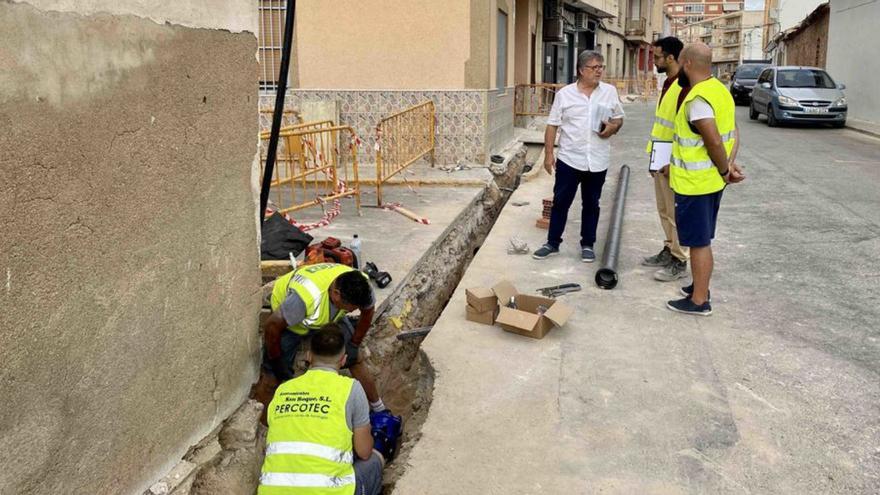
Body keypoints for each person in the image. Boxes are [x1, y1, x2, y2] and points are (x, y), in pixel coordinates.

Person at [664, 43, 745, 316]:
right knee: (702, 238)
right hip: (711, 182)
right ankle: (699, 286)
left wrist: (725, 170)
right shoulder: (720, 91)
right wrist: (728, 166)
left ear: (686, 63)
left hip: (696, 184)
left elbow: (712, 139)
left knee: (698, 243)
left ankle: (699, 301)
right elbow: (732, 132)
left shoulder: (698, 98)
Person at [258, 324, 384, 495]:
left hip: (272, 491)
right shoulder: (351, 389)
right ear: (343, 360)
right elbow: (363, 451)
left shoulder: (284, 390)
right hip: (327, 491)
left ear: (309, 356)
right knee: (375, 460)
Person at [532, 50, 625, 263]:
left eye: (601, 67)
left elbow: (619, 119)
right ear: (581, 71)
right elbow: (552, 125)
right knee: (561, 202)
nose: (599, 71)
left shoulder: (609, 92)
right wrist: (548, 155)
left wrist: (612, 127)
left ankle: (587, 244)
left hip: (597, 159)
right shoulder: (565, 94)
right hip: (569, 159)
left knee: (592, 203)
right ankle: (552, 242)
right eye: (595, 67)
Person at [261, 262, 387, 412]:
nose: (354, 310)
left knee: (354, 357)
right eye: (351, 308)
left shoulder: (361, 286)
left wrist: (354, 344)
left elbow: (367, 312)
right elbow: (271, 327)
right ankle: (265, 423)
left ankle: (379, 408)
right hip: (292, 325)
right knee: (272, 377)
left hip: (327, 316)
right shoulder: (303, 299)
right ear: (336, 294)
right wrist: (277, 362)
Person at [643, 36, 690, 282]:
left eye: (658, 57)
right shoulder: (668, 83)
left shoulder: (684, 86)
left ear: (671, 57)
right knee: (663, 209)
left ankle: (680, 259)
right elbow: (662, 124)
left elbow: (683, 129)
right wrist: (653, 156)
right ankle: (669, 248)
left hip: (672, 161)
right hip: (659, 156)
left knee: (674, 212)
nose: (654, 61)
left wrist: (673, 162)